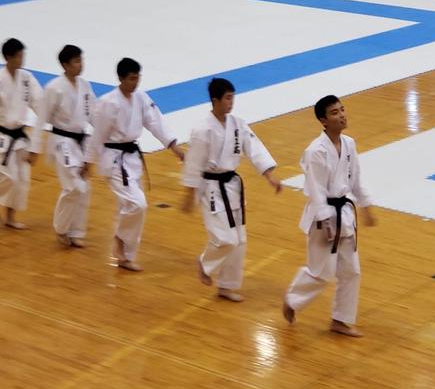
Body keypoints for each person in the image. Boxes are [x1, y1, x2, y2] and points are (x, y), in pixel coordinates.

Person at [283, 95, 376, 337]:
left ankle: (340, 320)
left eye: (342, 109)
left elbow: (355, 181)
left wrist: (366, 205)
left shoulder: (349, 144)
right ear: (323, 121)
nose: (342, 115)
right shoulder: (315, 151)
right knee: (321, 273)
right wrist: (325, 220)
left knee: (351, 271)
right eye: (335, 112)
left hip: (344, 213)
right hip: (321, 217)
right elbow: (315, 190)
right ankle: (292, 299)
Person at [182, 78, 281, 302]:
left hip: (232, 187)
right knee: (225, 239)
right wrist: (189, 193)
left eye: (232, 97)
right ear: (215, 100)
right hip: (211, 189)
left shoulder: (238, 124)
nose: (231, 102)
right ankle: (205, 263)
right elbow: (194, 163)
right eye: (227, 98)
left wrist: (269, 176)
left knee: (239, 240)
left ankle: (227, 286)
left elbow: (254, 149)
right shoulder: (203, 129)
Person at [86, 57, 184, 271]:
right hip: (114, 160)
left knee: (128, 206)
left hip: (131, 159)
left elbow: (155, 122)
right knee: (137, 204)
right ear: (121, 78)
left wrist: (174, 146)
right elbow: (98, 135)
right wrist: (88, 161)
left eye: (138, 77)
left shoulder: (140, 97)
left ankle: (126, 257)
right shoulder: (108, 102)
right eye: (131, 78)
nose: (135, 82)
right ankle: (120, 240)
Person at [33, 45, 95, 248]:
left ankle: (76, 231)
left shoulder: (85, 85)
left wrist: (107, 135)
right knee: (73, 186)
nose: (80, 64)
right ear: (65, 65)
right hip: (62, 142)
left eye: (81, 60)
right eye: (76, 61)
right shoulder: (54, 88)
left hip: (81, 141)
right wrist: (34, 147)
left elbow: (94, 114)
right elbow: (41, 118)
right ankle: (61, 229)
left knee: (84, 188)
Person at [0, 38, 42, 230]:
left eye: (22, 55)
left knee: (21, 179)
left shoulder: (26, 78)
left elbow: (40, 103)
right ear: (8, 57)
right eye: (18, 56)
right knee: (8, 177)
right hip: (2, 136)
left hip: (20, 137)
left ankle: (10, 217)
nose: (22, 59)